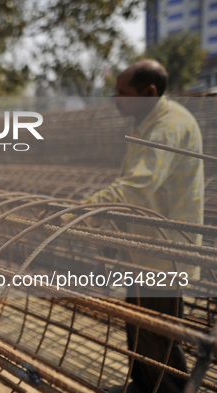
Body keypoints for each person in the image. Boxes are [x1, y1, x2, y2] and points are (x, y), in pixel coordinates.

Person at [80, 60, 203, 393]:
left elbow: (138, 185)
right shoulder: (145, 121)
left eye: (123, 93)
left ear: (149, 93)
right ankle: (143, 385)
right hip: (143, 244)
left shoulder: (169, 126)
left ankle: (170, 389)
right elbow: (129, 185)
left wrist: (86, 210)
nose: (116, 98)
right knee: (136, 323)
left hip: (166, 250)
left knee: (157, 332)